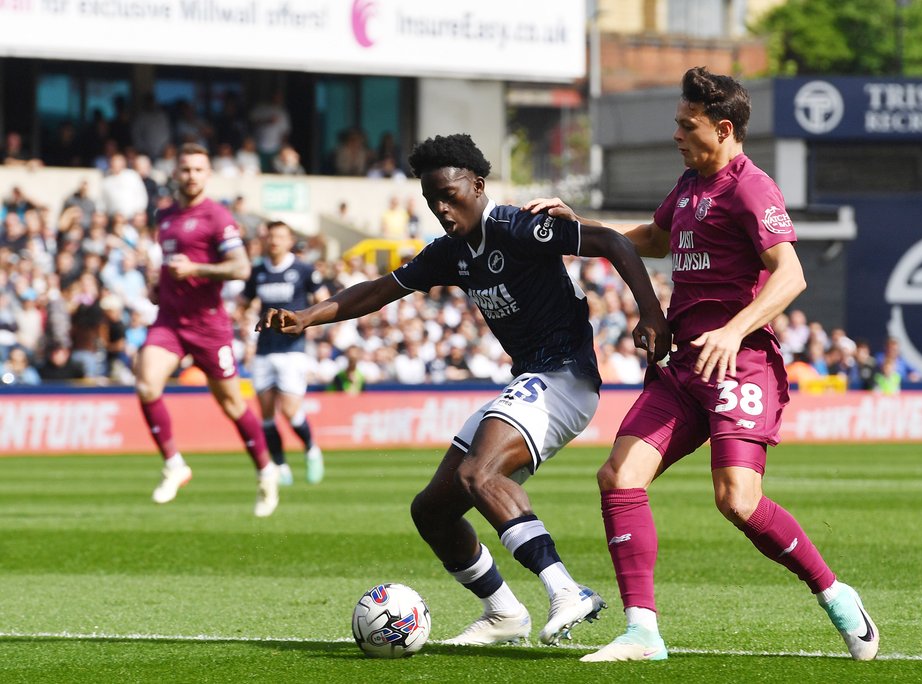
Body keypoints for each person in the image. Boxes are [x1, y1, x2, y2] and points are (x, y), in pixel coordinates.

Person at [525, 66, 880, 663]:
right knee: (618, 477)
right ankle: (643, 632)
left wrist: (734, 330)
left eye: (685, 126)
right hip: (683, 367)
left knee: (736, 499)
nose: (676, 136)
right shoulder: (691, 182)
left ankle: (836, 594)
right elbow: (655, 240)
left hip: (739, 366)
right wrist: (575, 231)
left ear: (721, 127)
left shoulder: (750, 186)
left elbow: (790, 273)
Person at [259, 133, 669, 647]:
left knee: (479, 473)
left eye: (449, 195)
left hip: (565, 377)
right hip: (530, 381)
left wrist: (651, 315)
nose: (441, 208)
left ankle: (567, 591)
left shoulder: (518, 226)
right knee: (432, 510)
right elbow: (379, 289)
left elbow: (613, 242)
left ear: (477, 185)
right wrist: (305, 317)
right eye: (432, 200)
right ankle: (503, 614)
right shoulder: (451, 253)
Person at [135, 142, 279, 517]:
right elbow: (171, 263)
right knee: (147, 384)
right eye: (185, 169)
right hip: (169, 320)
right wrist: (160, 285)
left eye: (198, 170)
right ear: (175, 173)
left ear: (207, 174)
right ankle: (174, 465)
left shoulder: (217, 217)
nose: (191, 176)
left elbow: (241, 267)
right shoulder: (164, 216)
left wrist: (196, 271)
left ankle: (266, 471)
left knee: (232, 404)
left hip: (207, 326)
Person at [243, 220, 329, 487]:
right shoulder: (258, 271)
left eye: (280, 236)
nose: (274, 241)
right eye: (271, 236)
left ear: (290, 240)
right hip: (264, 348)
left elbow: (323, 298)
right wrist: (245, 321)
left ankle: (311, 449)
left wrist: (312, 324)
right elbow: (244, 304)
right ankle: (280, 464)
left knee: (291, 411)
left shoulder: (303, 270)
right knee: (266, 413)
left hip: (293, 349)